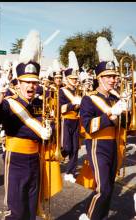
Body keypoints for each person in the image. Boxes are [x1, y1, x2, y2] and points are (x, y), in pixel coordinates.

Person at [0, 30, 52, 220]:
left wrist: (51, 130)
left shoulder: (40, 103)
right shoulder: (10, 102)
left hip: (36, 158)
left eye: (34, 82)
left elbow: (48, 125)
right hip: (15, 158)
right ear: (18, 82)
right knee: (16, 211)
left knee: (31, 210)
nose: (30, 86)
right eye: (26, 82)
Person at [79, 37, 129, 220]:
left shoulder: (116, 98)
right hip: (97, 145)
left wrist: (127, 111)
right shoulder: (89, 99)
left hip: (114, 145)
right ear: (99, 78)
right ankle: (90, 217)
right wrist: (109, 115)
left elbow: (125, 127)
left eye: (114, 76)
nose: (113, 79)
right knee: (103, 188)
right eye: (108, 76)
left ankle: (98, 216)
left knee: (110, 188)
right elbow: (88, 127)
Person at [60, 51, 81, 183]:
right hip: (66, 120)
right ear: (67, 79)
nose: (75, 81)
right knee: (67, 148)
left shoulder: (78, 91)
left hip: (76, 120)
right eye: (72, 79)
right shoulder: (62, 91)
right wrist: (73, 104)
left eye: (75, 79)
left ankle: (70, 172)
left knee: (75, 148)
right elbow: (61, 108)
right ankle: (58, 156)